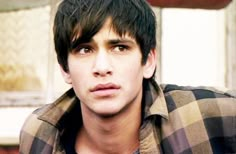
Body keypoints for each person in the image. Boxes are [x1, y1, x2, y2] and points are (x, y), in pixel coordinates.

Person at [19, 0, 236, 153]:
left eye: (120, 47)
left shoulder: (201, 116)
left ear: (149, 62)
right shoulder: (40, 133)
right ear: (64, 69)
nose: (102, 67)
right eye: (85, 50)